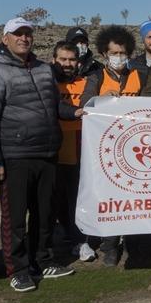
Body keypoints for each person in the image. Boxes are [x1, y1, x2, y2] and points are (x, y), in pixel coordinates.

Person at [0, 17, 70, 293]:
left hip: (47, 152)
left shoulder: (43, 69)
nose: (24, 38)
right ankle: (17, 269)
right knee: (15, 217)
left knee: (44, 213)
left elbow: (54, 107)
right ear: (5, 38)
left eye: (28, 33)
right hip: (15, 156)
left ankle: (41, 260)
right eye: (18, 34)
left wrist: (78, 111)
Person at [80, 26, 149, 267]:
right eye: (114, 53)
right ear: (104, 54)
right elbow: (83, 105)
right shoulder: (96, 77)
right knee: (110, 198)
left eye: (123, 53)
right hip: (106, 150)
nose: (119, 57)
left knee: (135, 197)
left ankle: (134, 243)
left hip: (135, 146)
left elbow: (150, 100)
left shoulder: (139, 75)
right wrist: (100, 99)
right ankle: (110, 246)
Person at [52, 41, 93, 262]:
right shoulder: (47, 82)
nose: (67, 64)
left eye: (72, 59)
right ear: (54, 60)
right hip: (56, 145)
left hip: (82, 144)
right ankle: (61, 237)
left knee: (77, 196)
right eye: (63, 59)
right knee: (57, 198)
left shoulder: (86, 82)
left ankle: (80, 241)